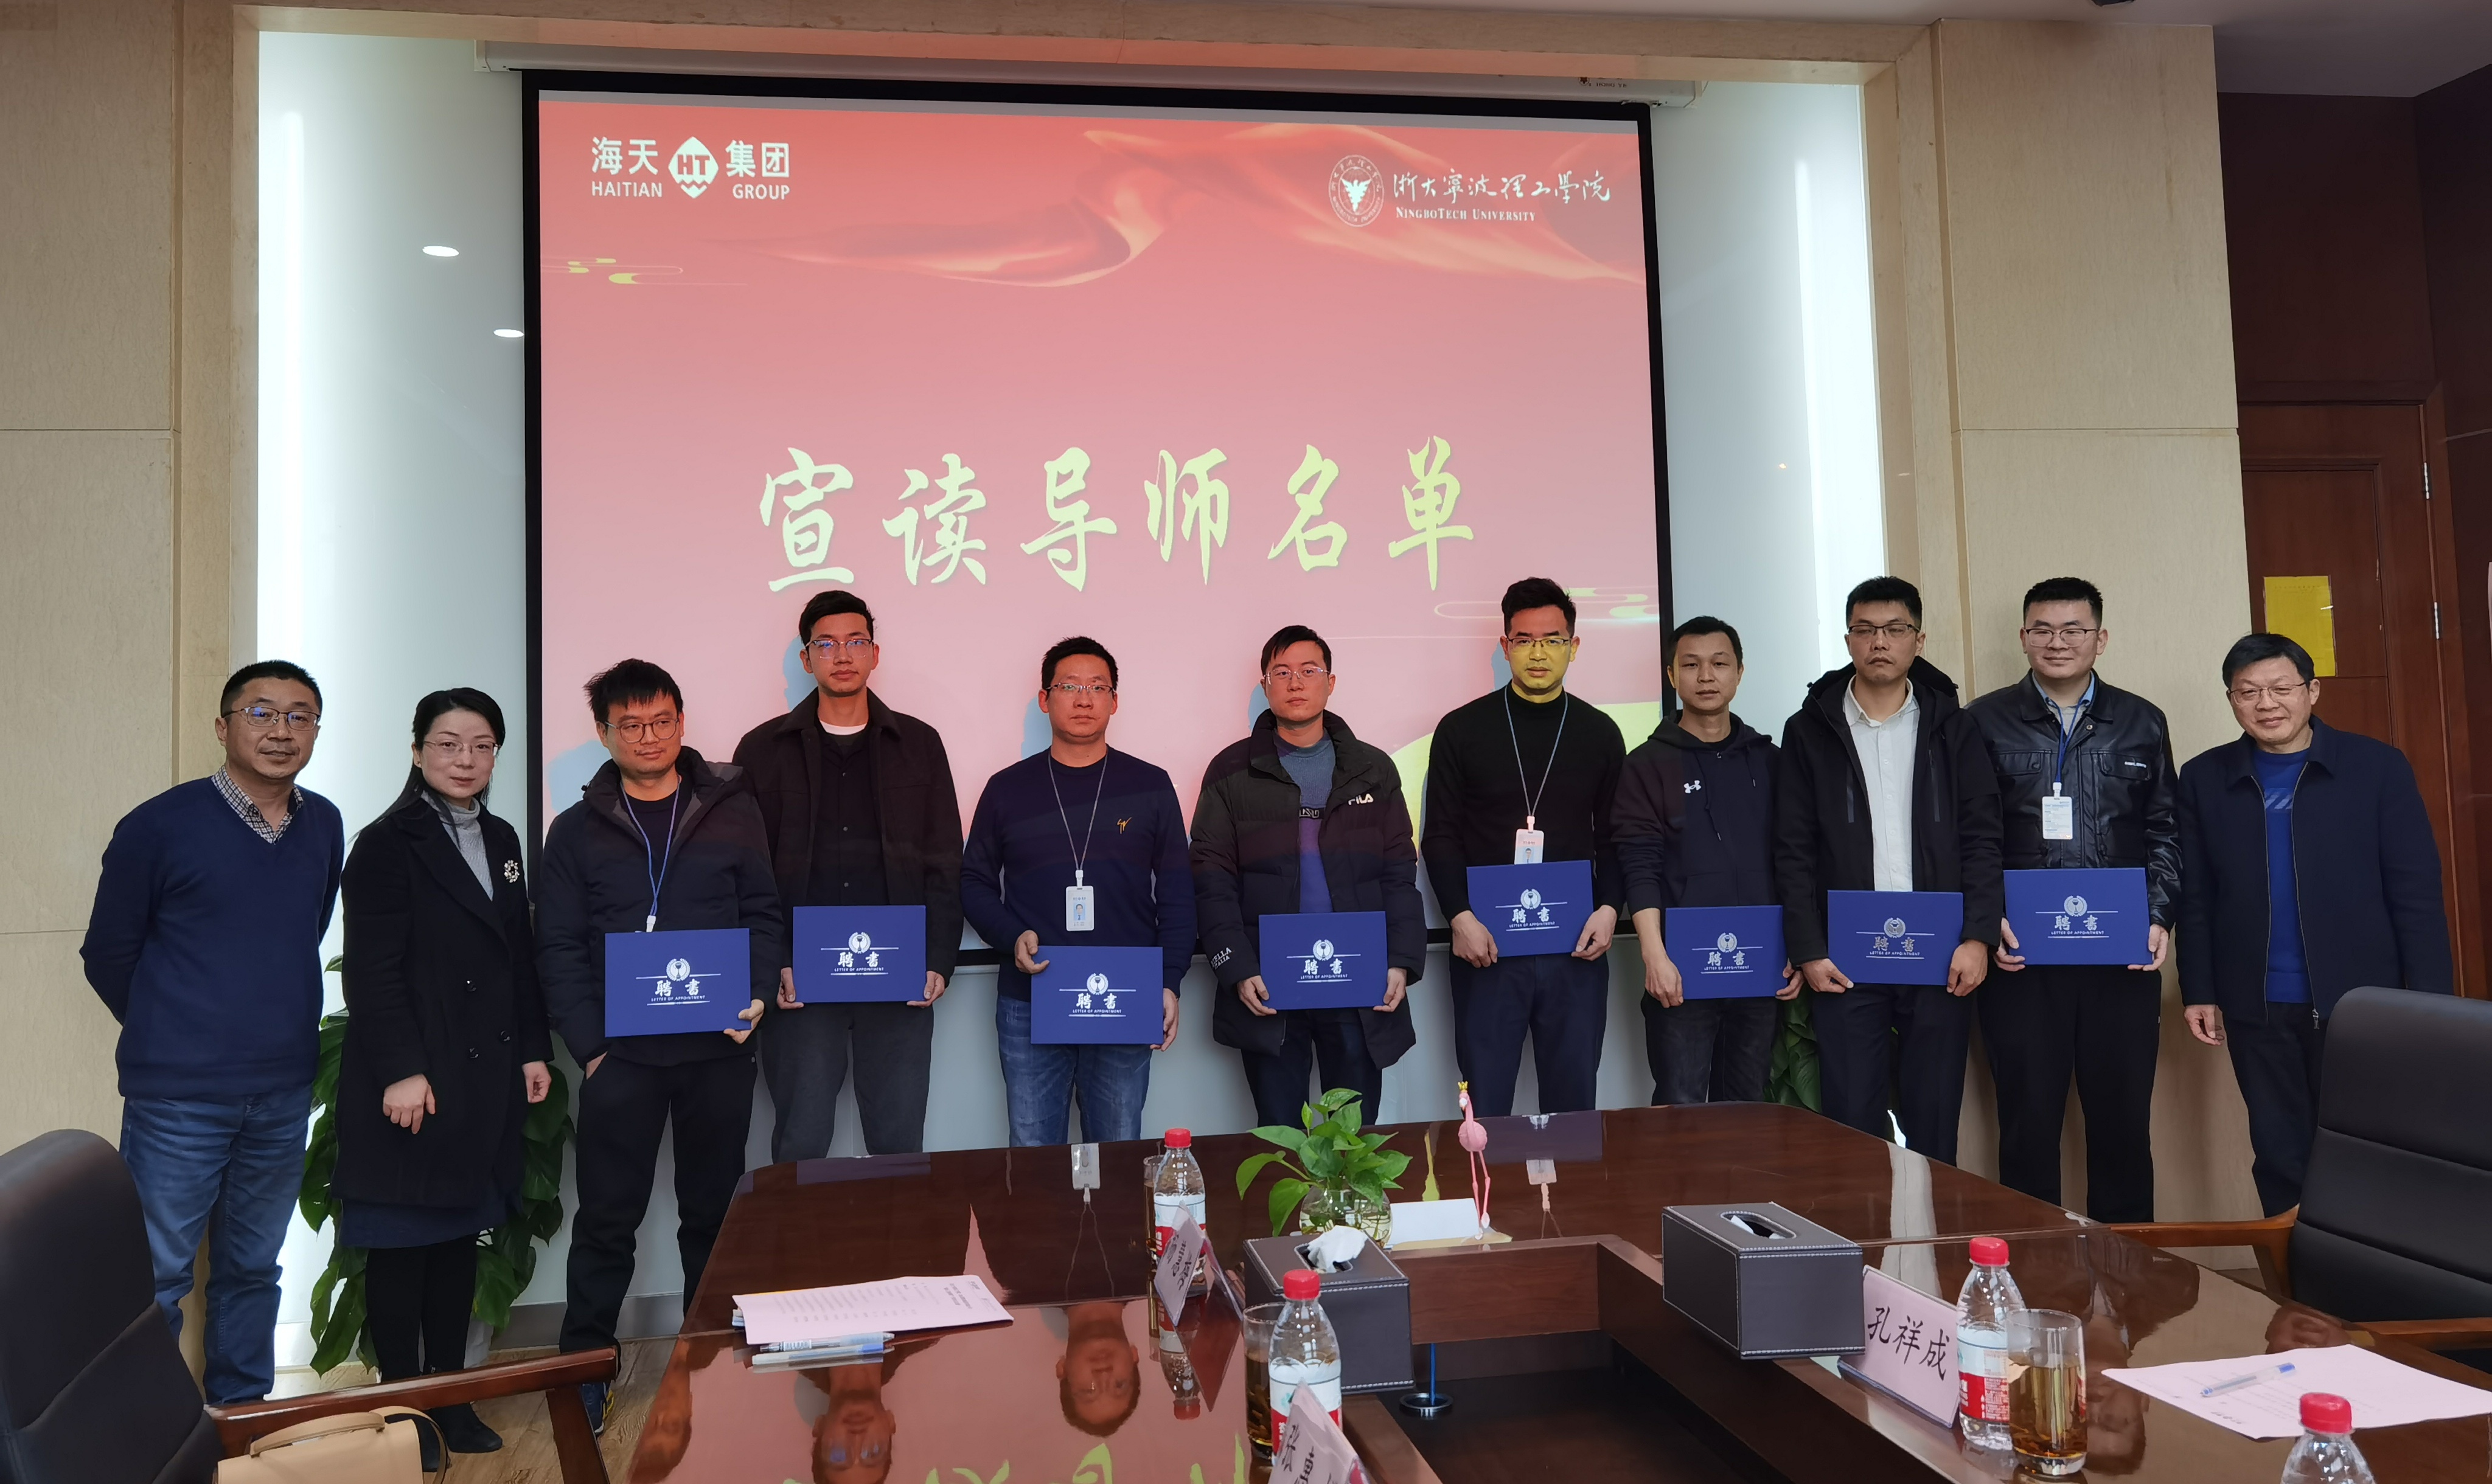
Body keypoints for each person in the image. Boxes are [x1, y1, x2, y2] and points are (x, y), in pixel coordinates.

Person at [78, 660, 344, 1404]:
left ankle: (240, 1414)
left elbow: (306, 928)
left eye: (300, 715)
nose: (281, 730)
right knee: (155, 1276)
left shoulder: (323, 822)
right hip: (179, 1098)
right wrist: (177, 1027)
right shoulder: (157, 825)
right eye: (261, 712)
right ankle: (151, 1437)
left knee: (253, 1269)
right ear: (223, 726)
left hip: (283, 1089)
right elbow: (108, 954)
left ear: (315, 731)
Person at [537, 659, 778, 1432]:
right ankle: (587, 1369)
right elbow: (558, 945)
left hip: (717, 1050)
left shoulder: (732, 809)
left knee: (714, 1216)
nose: (649, 737)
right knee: (607, 1220)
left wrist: (758, 995)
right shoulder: (575, 830)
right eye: (631, 725)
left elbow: (764, 913)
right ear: (604, 732)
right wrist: (591, 1048)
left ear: (681, 721)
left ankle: (711, 1361)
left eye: (662, 720)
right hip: (623, 1058)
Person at [333, 688, 552, 1467]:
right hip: (414, 1077)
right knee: (402, 1249)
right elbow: (372, 971)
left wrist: (533, 1049)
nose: (466, 760)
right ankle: (404, 1412)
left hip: (481, 1072)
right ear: (418, 749)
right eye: (449, 744)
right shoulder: (385, 842)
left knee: (458, 1241)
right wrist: (401, 1069)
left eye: (482, 745)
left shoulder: (500, 836)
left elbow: (516, 956)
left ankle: (452, 1400)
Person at [2176, 633, 2451, 1215]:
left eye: (2281, 688)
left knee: (2367, 1151)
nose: (2266, 703)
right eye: (2248, 692)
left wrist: (2430, 1004)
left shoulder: (2377, 767)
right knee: (2280, 1155)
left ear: (2312, 691)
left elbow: (2416, 894)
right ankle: (2295, 1273)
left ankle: (2364, 1268)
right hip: (2256, 1004)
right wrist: (2199, 987)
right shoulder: (2204, 776)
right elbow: (2196, 894)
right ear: (2231, 700)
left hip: (2363, 1003)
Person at [1967, 577, 2180, 1224]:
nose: (2057, 642)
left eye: (2073, 630)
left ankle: (2126, 1272)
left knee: (2122, 1125)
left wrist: (2158, 915)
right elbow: (1969, 836)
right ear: (2023, 636)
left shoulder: (2142, 720)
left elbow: (2165, 830)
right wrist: (1987, 921)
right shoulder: (1982, 721)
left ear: (2100, 638)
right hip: (2021, 959)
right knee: (2027, 1127)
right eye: (2042, 629)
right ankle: (2033, 1270)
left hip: (2120, 957)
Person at [1774, 577, 2002, 1163]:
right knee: (1851, 1123)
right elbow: (1793, 848)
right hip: (1845, 957)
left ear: (1918, 641)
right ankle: (1862, 1228)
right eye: (1865, 629)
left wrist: (1978, 936)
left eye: (1895, 629)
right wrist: (1808, 948)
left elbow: (1982, 838)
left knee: (1935, 1121)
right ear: (1848, 640)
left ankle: (1929, 1227)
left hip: (1941, 951)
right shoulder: (1810, 730)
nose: (1880, 641)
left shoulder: (1955, 728)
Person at [733, 591, 964, 1161]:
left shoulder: (919, 744)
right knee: (801, 1142)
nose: (843, 655)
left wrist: (938, 959)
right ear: (806, 658)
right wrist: (771, 964)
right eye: (827, 644)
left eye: (856, 641)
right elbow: (746, 870)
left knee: (898, 1144)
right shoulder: (761, 751)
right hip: (799, 982)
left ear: (875, 654)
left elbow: (943, 860)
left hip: (899, 975)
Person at [1191, 625, 1426, 1128]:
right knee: (1282, 1135)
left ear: (1330, 682)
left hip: (1357, 978)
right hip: (1268, 981)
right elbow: (1212, 880)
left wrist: (1401, 961)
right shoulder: (1230, 771)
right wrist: (1237, 968)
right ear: (1265, 685)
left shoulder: (1373, 768)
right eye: (1281, 673)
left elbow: (1398, 872)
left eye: (1308, 671)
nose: (1295, 683)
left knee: (1354, 1136)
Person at [961, 637, 1194, 1146]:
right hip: (1031, 996)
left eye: (1097, 687)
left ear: (1115, 700)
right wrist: (1011, 935)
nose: (1084, 699)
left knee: (1116, 1149)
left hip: (1126, 996)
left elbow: (1179, 891)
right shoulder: (1006, 789)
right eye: (1069, 687)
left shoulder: (1150, 786)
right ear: (1045, 699)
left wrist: (1169, 980)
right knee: (1033, 1151)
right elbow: (973, 881)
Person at [1420, 577, 1626, 1118]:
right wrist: (1459, 917)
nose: (1538, 653)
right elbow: (1440, 834)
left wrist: (1610, 908)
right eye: (1524, 640)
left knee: (1573, 1106)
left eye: (1553, 640)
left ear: (1573, 647)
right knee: (1485, 1109)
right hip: (1486, 946)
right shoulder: (1461, 730)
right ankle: (1489, 1184)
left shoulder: (1600, 733)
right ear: (1505, 645)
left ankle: (1570, 1182)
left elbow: (1616, 836)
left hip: (1575, 946)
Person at [1612, 617, 1800, 1106]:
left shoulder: (1771, 761)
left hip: (1760, 966)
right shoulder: (1646, 764)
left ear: (1740, 672)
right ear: (1672, 676)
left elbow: (1794, 861)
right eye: (1691, 665)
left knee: (1748, 1105)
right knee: (1681, 1107)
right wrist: (1654, 956)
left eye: (1719, 664)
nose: (1706, 677)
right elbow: (1639, 865)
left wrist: (1798, 947)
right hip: (1681, 969)